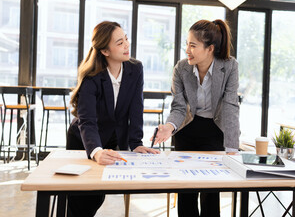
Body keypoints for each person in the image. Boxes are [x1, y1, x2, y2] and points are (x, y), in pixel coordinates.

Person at [66, 21, 159, 217]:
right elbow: (87, 121)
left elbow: (136, 108)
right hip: (84, 140)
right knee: (82, 199)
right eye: (119, 42)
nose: (126, 45)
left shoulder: (135, 69)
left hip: (112, 138)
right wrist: (96, 151)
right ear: (105, 51)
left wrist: (135, 143)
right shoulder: (92, 76)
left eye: (126, 39)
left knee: (98, 194)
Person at [152, 19, 240, 217]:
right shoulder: (181, 69)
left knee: (210, 192)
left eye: (193, 45)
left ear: (210, 48)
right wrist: (169, 126)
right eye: (186, 44)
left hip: (215, 131)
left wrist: (232, 148)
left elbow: (230, 106)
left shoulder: (229, 66)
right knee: (186, 191)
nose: (187, 50)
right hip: (187, 130)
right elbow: (179, 106)